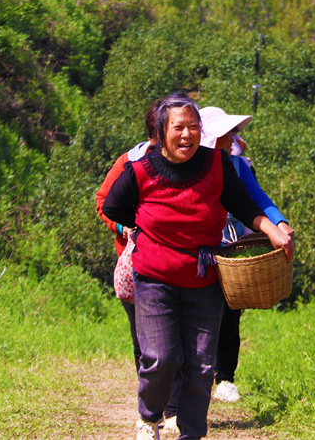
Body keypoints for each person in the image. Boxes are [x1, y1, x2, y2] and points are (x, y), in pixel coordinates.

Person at [103, 92, 294, 440]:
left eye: (194, 126)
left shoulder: (218, 164)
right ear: (161, 132)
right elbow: (112, 207)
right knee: (160, 357)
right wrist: (146, 227)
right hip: (155, 278)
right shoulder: (140, 169)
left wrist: (272, 229)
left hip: (204, 277)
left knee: (202, 365)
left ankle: (191, 433)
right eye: (179, 127)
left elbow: (242, 201)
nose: (187, 134)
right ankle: (149, 418)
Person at [94, 101, 183, 434]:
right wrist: (124, 227)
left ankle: (173, 410)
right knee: (146, 342)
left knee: (176, 340)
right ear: (156, 131)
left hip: (179, 264)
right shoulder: (129, 162)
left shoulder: (190, 162)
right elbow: (104, 202)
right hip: (137, 266)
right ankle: (154, 409)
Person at [198, 106, 294, 403]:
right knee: (197, 314)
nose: (233, 138)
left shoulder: (237, 166)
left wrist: (280, 224)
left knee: (230, 312)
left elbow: (257, 197)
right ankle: (192, 378)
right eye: (227, 133)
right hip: (198, 250)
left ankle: (225, 378)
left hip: (230, 247)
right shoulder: (191, 167)